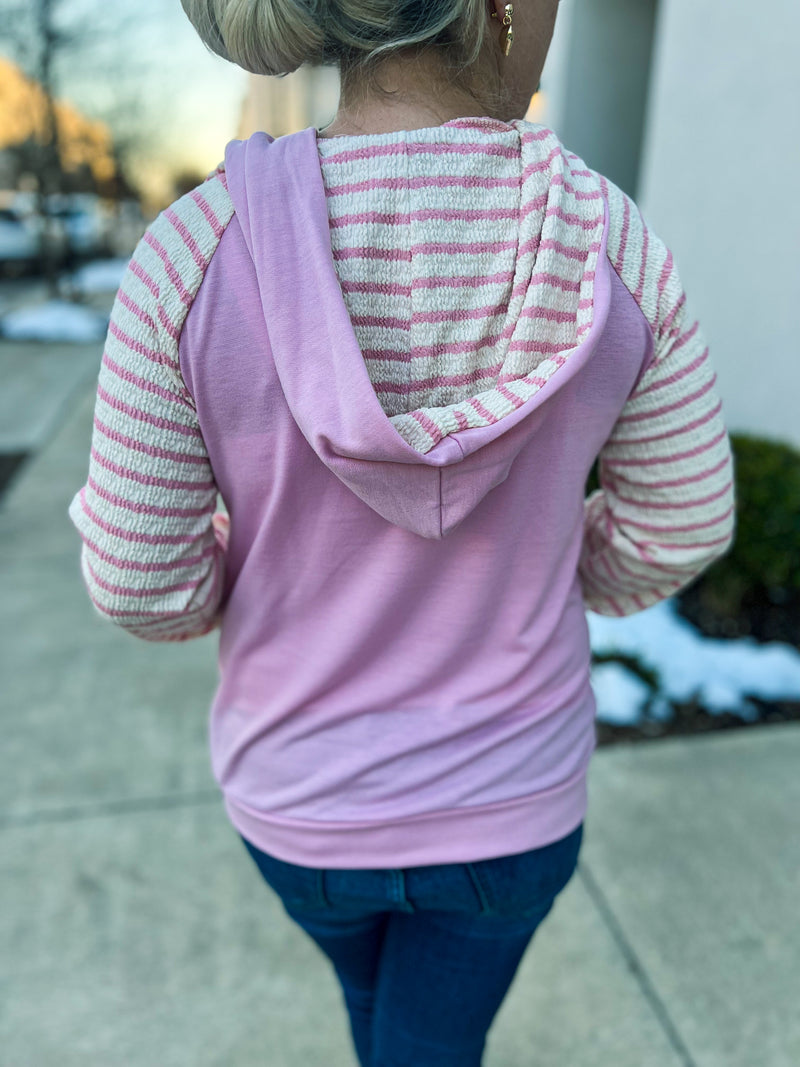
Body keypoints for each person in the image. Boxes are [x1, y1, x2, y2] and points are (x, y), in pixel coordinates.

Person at [67, 0, 736, 1063]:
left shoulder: (190, 256)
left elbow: (141, 583)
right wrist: (560, 572)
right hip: (511, 799)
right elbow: (683, 519)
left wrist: (250, 578)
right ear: (498, 4)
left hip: (296, 795)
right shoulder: (615, 247)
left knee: (391, 1030)